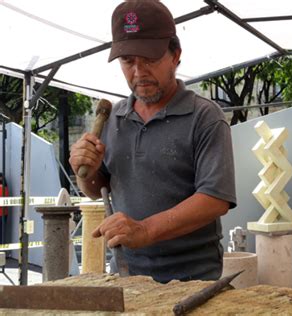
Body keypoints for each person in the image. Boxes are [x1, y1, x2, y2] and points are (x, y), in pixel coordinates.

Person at [69, 0, 236, 283]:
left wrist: (145, 230)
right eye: (128, 61)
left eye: (150, 59)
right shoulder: (113, 118)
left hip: (194, 278)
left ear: (176, 55)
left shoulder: (205, 117)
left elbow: (215, 199)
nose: (138, 72)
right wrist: (85, 170)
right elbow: (98, 190)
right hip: (127, 275)